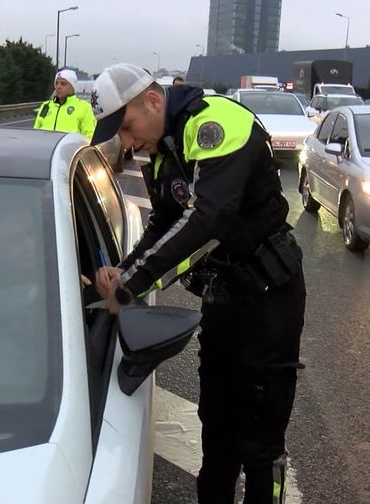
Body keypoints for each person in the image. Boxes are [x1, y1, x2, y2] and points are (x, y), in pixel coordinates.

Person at [90, 63, 306, 504]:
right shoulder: (165, 148)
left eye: (127, 127)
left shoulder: (214, 123)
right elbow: (164, 224)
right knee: (217, 426)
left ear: (152, 101)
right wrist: (123, 267)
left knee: (261, 443)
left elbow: (208, 219)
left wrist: (129, 286)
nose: (128, 143)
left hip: (269, 301)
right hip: (223, 300)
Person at [33, 69, 96, 138]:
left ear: (73, 86)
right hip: (46, 148)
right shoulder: (46, 106)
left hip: (71, 148)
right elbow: (36, 132)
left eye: (63, 84)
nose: (58, 87)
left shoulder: (85, 108)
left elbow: (90, 136)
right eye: (56, 83)